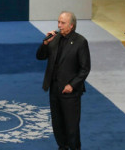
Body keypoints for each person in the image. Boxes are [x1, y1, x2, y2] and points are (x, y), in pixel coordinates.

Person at [37, 11, 91, 150]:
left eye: (63, 23)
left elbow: (85, 68)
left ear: (71, 25)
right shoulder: (54, 38)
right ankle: (62, 146)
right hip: (54, 87)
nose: (59, 26)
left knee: (71, 125)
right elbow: (40, 56)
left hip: (70, 91)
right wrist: (45, 43)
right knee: (57, 123)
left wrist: (72, 85)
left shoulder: (80, 42)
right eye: (58, 22)